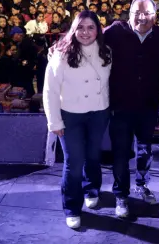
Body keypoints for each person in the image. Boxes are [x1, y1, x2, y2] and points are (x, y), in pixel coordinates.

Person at [43, 11, 112, 229]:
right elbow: (49, 90)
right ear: (74, 29)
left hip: (99, 113)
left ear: (98, 30)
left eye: (91, 27)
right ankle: (72, 207)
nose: (85, 32)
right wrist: (54, 121)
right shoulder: (61, 54)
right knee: (73, 163)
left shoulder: (107, 52)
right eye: (81, 27)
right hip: (70, 115)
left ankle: (92, 189)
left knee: (93, 156)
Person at [103, 0, 159, 218]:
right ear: (129, 13)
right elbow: (87, 37)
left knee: (145, 149)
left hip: (148, 104)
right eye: (137, 13)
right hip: (120, 105)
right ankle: (121, 195)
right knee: (121, 152)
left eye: (147, 13)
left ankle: (142, 184)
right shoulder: (114, 31)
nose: (142, 17)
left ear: (155, 16)